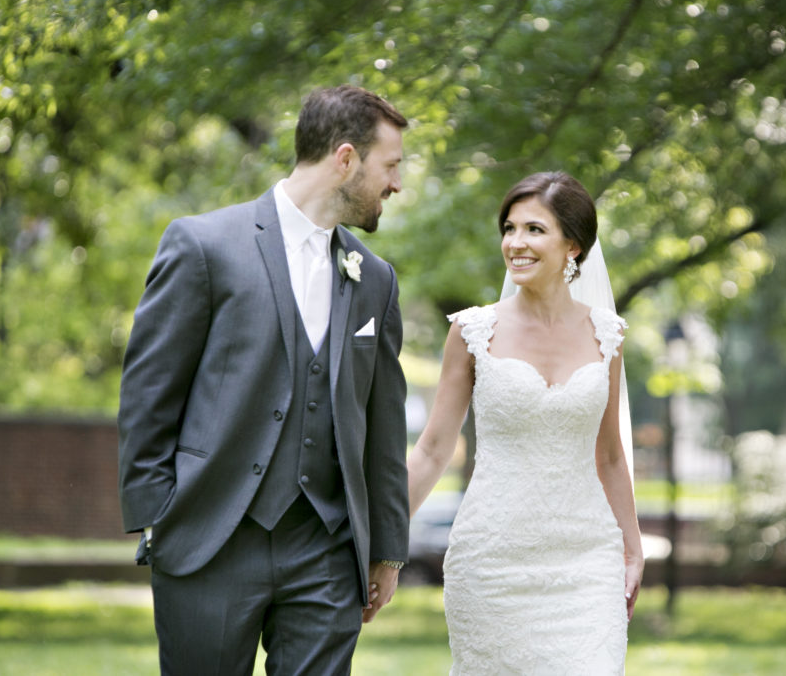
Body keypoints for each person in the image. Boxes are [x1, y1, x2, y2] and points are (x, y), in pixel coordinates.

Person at [117, 85, 410, 675]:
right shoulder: (204, 245)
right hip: (211, 538)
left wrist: (386, 549)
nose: (396, 185)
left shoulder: (375, 278)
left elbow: (382, 420)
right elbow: (149, 394)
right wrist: (160, 516)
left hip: (325, 548)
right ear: (346, 159)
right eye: (391, 166)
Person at [407, 171, 645, 674]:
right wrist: (383, 539)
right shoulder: (471, 332)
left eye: (534, 230)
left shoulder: (609, 335)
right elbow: (431, 450)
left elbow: (609, 455)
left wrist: (632, 548)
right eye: (509, 228)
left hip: (587, 563)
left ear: (573, 246)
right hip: (493, 562)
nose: (515, 243)